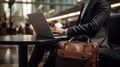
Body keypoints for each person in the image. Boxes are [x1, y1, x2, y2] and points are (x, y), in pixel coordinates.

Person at [28, 0, 111, 67]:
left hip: (94, 40)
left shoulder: (103, 2)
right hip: (80, 38)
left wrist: (66, 31)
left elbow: (93, 26)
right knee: (42, 43)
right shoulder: (85, 3)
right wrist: (63, 32)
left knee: (58, 47)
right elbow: (80, 25)